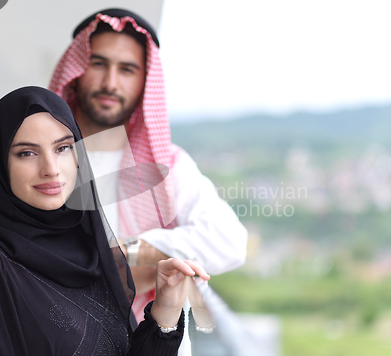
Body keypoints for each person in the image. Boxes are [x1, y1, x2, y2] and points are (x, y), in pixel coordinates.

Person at [0, 86, 210, 356]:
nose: (51, 168)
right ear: (1, 165)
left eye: (63, 148)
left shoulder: (94, 253)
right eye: (26, 153)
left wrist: (166, 311)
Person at [49, 8, 247, 321]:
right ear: (75, 71)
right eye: (98, 64)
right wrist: (136, 270)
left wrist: (129, 251)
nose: (110, 82)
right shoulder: (45, 162)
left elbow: (229, 242)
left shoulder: (169, 165)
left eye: (127, 69)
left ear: (145, 81)